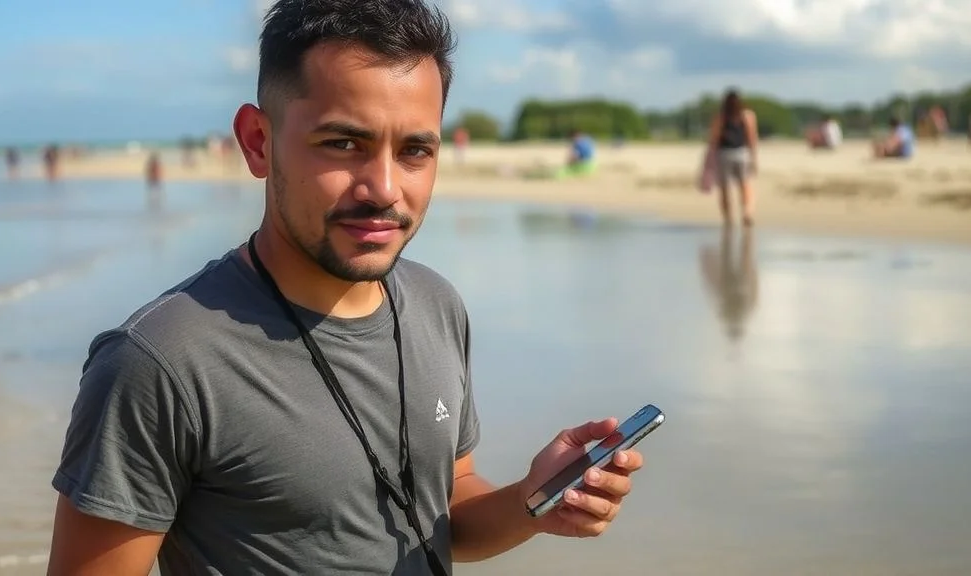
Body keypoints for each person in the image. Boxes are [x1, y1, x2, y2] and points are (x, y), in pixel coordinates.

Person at [45, 1, 646, 575]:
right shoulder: (161, 363)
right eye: (343, 144)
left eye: (414, 150)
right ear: (258, 141)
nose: (384, 188)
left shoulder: (436, 306)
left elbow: (442, 511)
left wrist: (530, 503)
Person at [707, 88, 759, 227]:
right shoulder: (747, 116)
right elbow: (752, 138)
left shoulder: (721, 117)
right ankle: (747, 213)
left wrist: (709, 159)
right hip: (742, 153)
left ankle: (728, 218)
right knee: (745, 185)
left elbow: (714, 139)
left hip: (724, 154)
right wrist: (754, 158)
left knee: (725, 189)